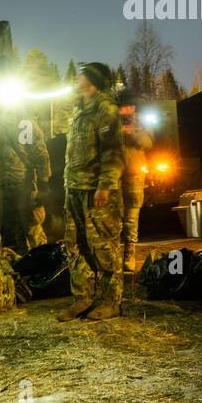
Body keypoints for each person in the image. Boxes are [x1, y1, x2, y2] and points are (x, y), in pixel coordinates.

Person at [58, 62, 125, 321]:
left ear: (93, 80)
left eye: (82, 74)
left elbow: (113, 153)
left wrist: (105, 186)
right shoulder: (79, 110)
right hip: (74, 187)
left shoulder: (105, 109)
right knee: (74, 245)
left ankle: (111, 301)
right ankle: (83, 298)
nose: (77, 77)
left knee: (103, 247)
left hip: (95, 190)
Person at [0, 112, 50, 253]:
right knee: (12, 230)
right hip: (5, 185)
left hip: (24, 186)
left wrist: (44, 184)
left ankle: (43, 264)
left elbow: (41, 155)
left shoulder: (26, 124)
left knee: (32, 228)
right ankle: (21, 264)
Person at [117, 93, 153, 273]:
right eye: (123, 107)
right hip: (114, 175)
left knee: (131, 216)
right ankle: (113, 254)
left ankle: (129, 254)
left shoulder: (140, 124)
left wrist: (133, 132)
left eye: (130, 106)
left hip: (134, 173)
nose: (127, 110)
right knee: (114, 215)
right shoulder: (110, 123)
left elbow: (148, 143)